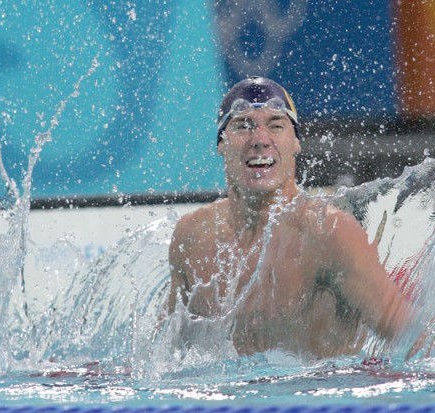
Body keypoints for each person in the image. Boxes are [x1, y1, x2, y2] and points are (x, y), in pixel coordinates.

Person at [168, 76, 413, 359]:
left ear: (295, 143)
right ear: (221, 144)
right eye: (243, 126)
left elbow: (415, 343)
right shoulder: (192, 235)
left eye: (276, 125)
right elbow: (166, 353)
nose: (260, 140)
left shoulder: (330, 233)